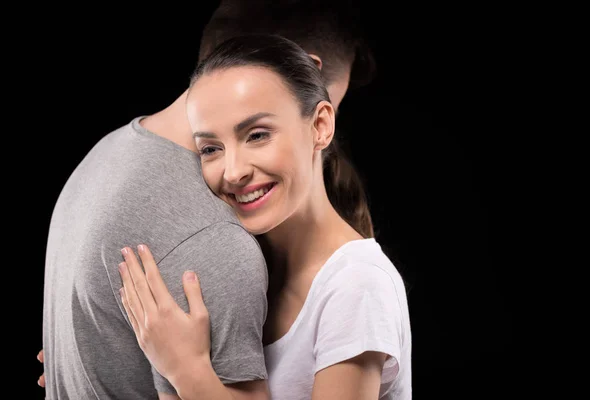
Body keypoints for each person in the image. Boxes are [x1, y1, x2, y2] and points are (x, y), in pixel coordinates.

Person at [39, 1, 376, 399]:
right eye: (330, 104)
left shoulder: (108, 153)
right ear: (303, 70)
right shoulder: (214, 240)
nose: (325, 137)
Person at [118, 34, 411, 399]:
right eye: (211, 148)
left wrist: (187, 370)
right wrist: (111, 362)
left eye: (257, 135)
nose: (233, 171)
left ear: (320, 126)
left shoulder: (357, 285)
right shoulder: (242, 269)